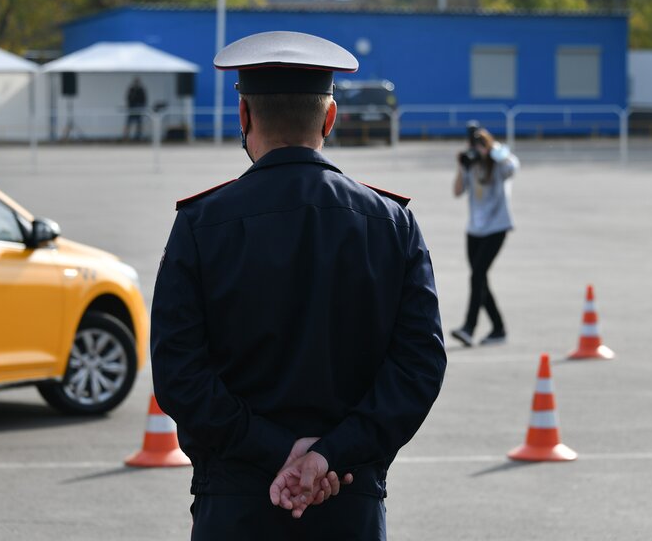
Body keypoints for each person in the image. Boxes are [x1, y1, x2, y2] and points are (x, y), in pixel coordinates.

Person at [151, 31, 446, 540]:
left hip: (234, 504)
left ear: (244, 118)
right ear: (330, 119)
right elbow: (420, 364)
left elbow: (179, 373)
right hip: (347, 499)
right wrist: (329, 454)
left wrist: (274, 452)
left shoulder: (201, 225)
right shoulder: (391, 224)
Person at [450, 122, 520, 347]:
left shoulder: (499, 163)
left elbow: (513, 168)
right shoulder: (471, 165)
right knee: (480, 279)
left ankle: (469, 328)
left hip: (497, 227)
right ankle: (498, 329)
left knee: (477, 276)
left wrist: (494, 151)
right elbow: (458, 192)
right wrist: (461, 166)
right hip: (474, 230)